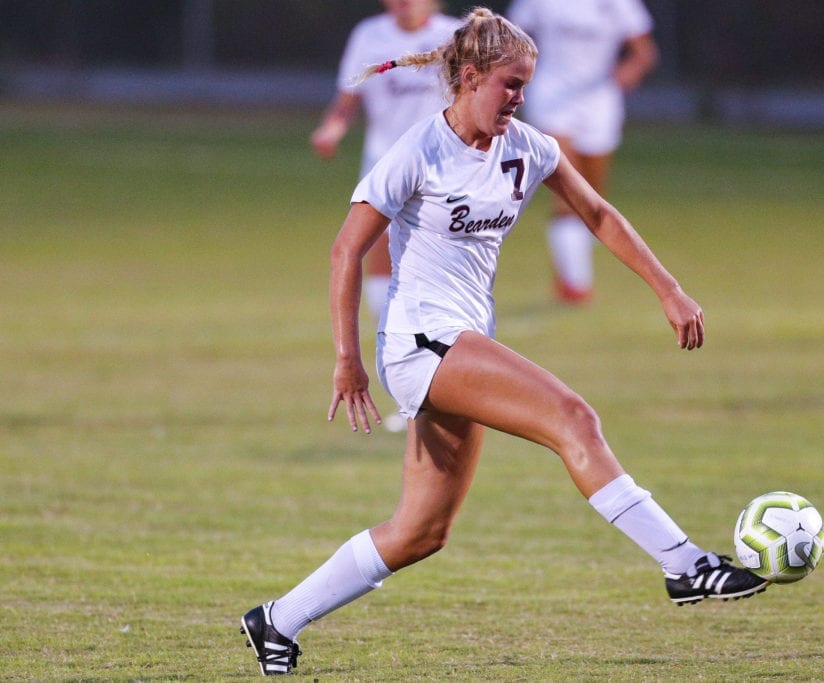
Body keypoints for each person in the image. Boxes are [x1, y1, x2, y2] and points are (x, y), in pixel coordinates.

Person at [241, 8, 766, 676]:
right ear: (468, 77)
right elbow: (347, 250)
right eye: (508, 84)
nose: (519, 98)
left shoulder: (530, 147)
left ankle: (276, 620)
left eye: (525, 86)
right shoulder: (419, 150)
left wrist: (668, 288)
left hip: (459, 342)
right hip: (420, 341)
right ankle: (685, 563)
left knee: (421, 532)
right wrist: (348, 361)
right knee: (572, 416)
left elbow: (599, 213)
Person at [310, 0, 462, 318]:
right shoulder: (369, 35)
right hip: (385, 157)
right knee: (380, 244)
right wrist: (331, 131)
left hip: (443, 160)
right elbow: (346, 102)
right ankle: (389, 328)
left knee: (441, 247)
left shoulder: (455, 34)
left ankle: (446, 322)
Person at [506, 0, 659, 304]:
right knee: (567, 187)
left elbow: (645, 52)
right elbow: (510, 39)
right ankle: (576, 284)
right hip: (552, 96)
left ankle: (571, 265)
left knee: (592, 196)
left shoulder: (618, 4)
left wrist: (628, 72)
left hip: (599, 99)